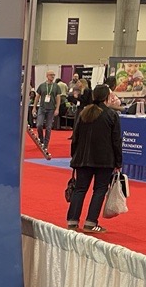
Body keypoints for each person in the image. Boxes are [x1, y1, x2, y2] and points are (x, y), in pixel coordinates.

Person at [67, 85, 122, 233]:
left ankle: (72, 221)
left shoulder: (84, 113)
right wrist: (118, 162)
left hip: (83, 158)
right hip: (104, 160)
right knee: (99, 190)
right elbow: (116, 141)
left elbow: (75, 138)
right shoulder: (111, 115)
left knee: (80, 189)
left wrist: (74, 156)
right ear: (107, 97)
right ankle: (91, 222)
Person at [33, 70, 62, 150]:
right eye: (51, 75)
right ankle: (41, 140)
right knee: (39, 125)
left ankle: (46, 144)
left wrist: (57, 109)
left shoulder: (56, 86)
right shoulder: (42, 86)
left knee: (48, 127)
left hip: (51, 109)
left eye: (53, 75)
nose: (52, 76)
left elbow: (58, 98)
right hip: (42, 108)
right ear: (47, 76)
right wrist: (34, 107)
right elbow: (37, 97)